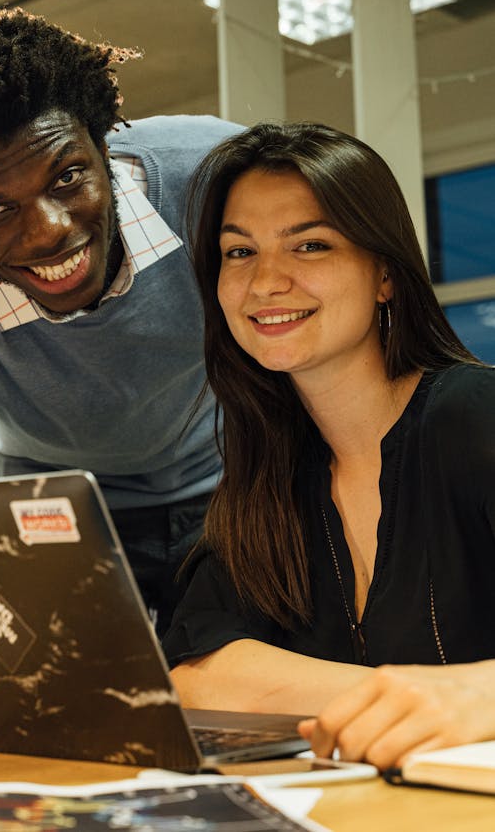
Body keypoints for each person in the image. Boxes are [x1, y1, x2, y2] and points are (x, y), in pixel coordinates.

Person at [0, 7, 242, 638]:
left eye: (67, 177)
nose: (48, 231)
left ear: (105, 146)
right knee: (76, 706)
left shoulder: (218, 174)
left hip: (226, 483)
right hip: (53, 510)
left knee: (232, 683)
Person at [163, 121, 495, 770]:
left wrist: (481, 694)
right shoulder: (272, 475)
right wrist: (393, 699)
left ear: (385, 275)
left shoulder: (474, 417)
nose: (266, 282)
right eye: (239, 252)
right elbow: (199, 676)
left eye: (310, 246)